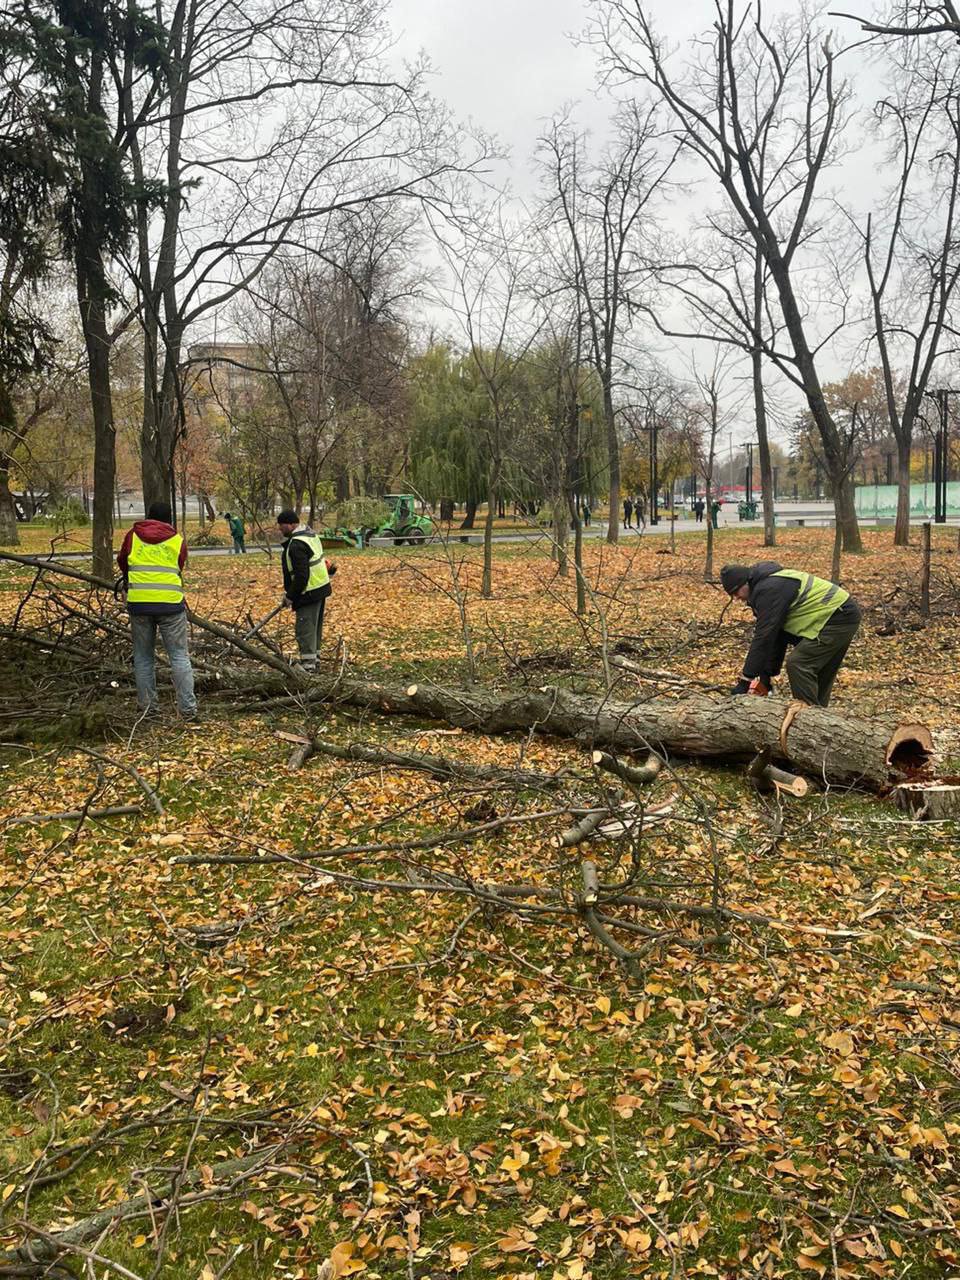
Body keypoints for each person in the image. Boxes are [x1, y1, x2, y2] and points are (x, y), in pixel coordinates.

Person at [720, 561, 861, 707]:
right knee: (820, 672)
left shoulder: (769, 589)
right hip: (838, 614)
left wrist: (746, 680)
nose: (736, 597)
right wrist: (765, 677)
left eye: (736, 591)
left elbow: (764, 637)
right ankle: (819, 715)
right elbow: (777, 635)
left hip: (838, 617)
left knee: (799, 663)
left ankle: (806, 715)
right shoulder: (767, 584)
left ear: (746, 582)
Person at [117, 501, 198, 721]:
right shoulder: (177, 539)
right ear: (169, 518)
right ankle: (188, 710)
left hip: (140, 604)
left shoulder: (132, 536)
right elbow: (179, 565)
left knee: (143, 657)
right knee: (179, 657)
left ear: (148, 516)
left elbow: (123, 561)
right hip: (170, 605)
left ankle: (148, 709)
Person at [277, 509, 332, 671]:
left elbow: (301, 576)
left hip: (308, 592)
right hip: (320, 589)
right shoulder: (310, 536)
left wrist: (290, 596)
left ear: (291, 524)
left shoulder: (297, 545)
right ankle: (315, 661)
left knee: (305, 630)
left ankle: (308, 667)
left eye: (282, 525)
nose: (280, 528)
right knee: (314, 629)